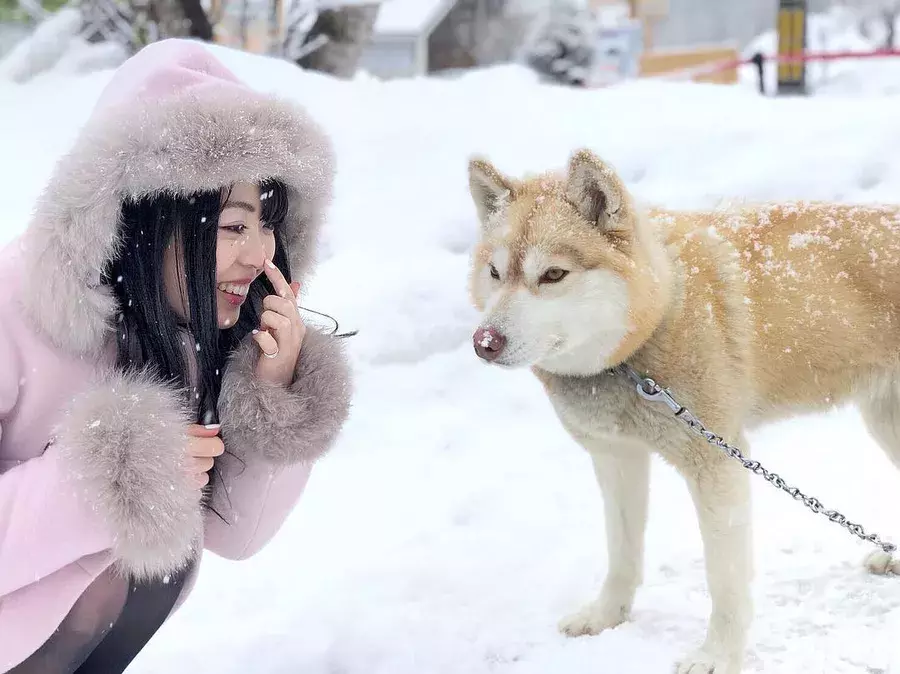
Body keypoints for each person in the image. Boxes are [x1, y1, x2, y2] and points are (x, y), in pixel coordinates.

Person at [0, 38, 352, 673]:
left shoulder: (185, 320)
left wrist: (270, 391)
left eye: (268, 223)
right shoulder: (12, 303)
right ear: (146, 217)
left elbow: (237, 537)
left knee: (158, 556)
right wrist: (104, 481)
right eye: (232, 227)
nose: (258, 255)